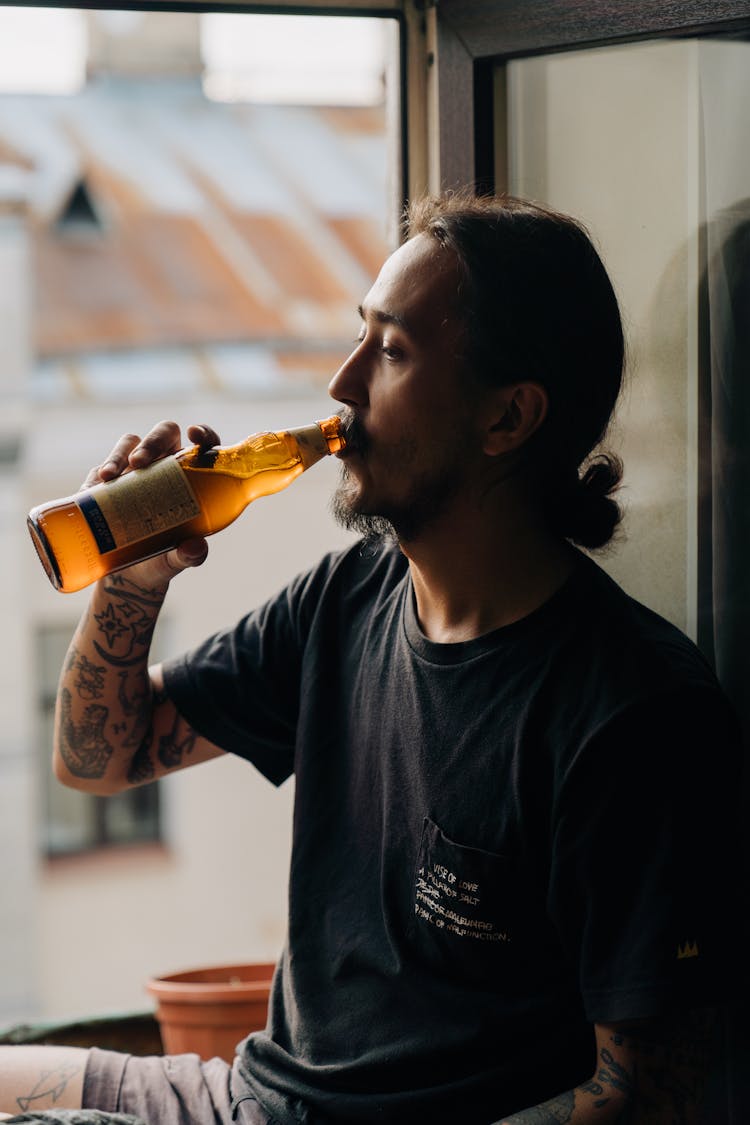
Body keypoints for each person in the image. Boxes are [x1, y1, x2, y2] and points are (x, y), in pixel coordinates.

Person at [0, 192, 745, 1125]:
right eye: (360, 336)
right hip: (247, 1095)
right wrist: (133, 578)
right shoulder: (349, 597)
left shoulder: (633, 714)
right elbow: (98, 758)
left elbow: (648, 1096)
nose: (341, 386)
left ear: (508, 416)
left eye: (390, 351)